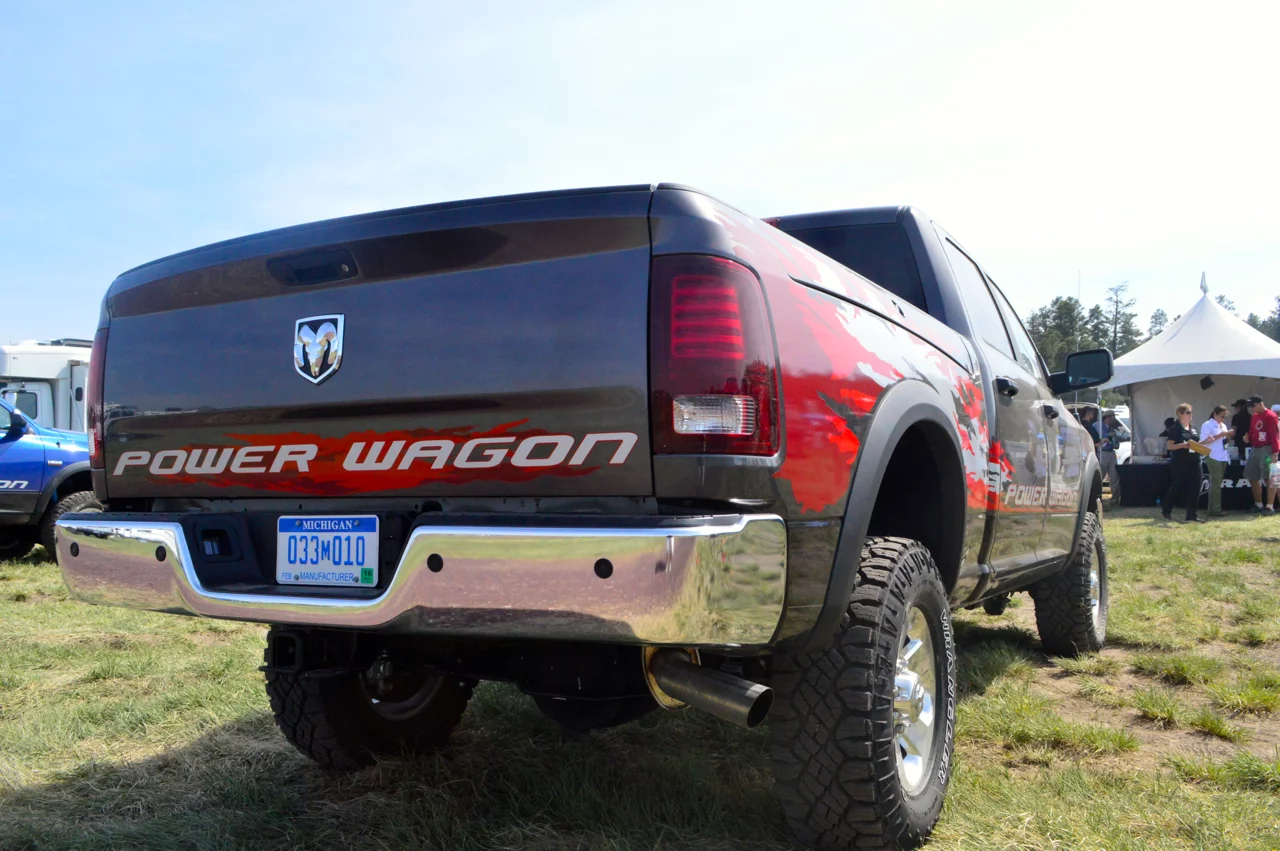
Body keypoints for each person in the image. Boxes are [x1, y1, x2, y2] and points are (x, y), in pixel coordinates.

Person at [1162, 403, 1204, 523]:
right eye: (1188, 412)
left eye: (1191, 412)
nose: (1190, 415)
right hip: (1180, 462)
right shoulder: (1175, 429)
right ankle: (1166, 510)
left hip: (1195, 461)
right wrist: (1184, 445)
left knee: (1195, 487)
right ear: (1180, 414)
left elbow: (1197, 443)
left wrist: (1206, 441)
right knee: (1177, 486)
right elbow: (1170, 446)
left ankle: (1192, 515)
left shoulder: (1193, 428)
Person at [1244, 395, 1280, 515]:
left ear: (1260, 403)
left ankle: (1270, 507)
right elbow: (1252, 431)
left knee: (1270, 477)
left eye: (1253, 406)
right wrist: (1247, 437)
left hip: (1267, 448)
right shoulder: (1254, 416)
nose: (1252, 409)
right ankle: (1258, 504)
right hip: (1255, 447)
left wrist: (1275, 452)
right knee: (1251, 475)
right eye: (1250, 407)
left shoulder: (1270, 416)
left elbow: (1275, 435)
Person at [1198, 404, 1235, 516]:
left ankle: (1212, 508)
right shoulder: (1207, 425)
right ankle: (1215, 509)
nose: (1222, 419)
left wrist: (1229, 435)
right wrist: (1221, 435)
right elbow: (1201, 442)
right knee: (1216, 484)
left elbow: (1225, 440)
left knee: (1217, 483)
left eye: (1224, 417)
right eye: (1221, 416)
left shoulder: (1223, 425)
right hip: (1212, 455)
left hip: (1223, 456)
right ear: (1215, 414)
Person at [1097, 410, 1130, 505]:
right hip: (1102, 453)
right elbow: (1097, 437)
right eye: (1112, 417)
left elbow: (1116, 445)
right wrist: (1107, 436)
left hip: (1111, 453)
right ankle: (1097, 498)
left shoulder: (1112, 430)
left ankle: (1115, 498)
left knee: (1114, 476)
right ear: (1108, 417)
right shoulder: (1098, 425)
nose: (1113, 419)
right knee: (1100, 475)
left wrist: (1114, 441)